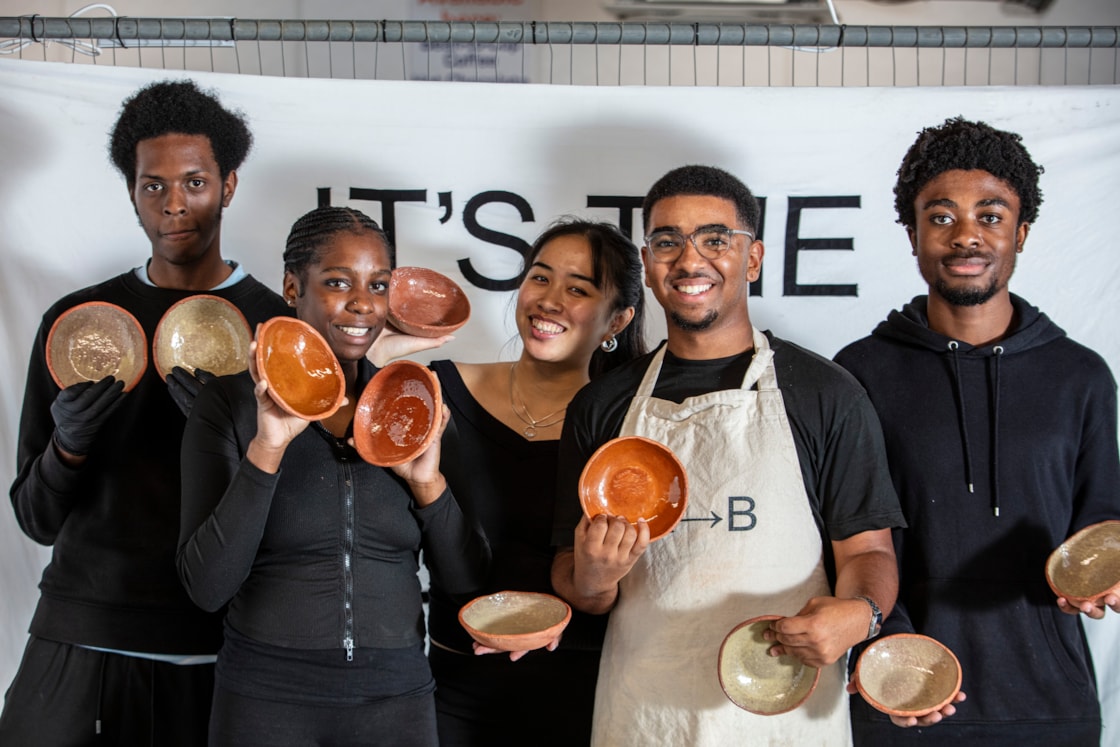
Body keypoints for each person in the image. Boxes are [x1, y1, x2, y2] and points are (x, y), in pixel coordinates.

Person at [550, 165, 905, 746]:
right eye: (668, 242)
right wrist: (592, 580)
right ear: (648, 261)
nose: (690, 261)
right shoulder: (602, 404)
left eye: (715, 239)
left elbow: (868, 548)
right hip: (645, 718)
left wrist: (860, 613)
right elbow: (575, 577)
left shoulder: (826, 393)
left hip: (786, 719)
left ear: (754, 258)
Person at [1, 79, 289, 745]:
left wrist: (229, 437)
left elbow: (300, 519)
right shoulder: (77, 324)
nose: (173, 204)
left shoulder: (278, 327)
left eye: (193, 181)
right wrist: (66, 446)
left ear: (230, 184)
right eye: (152, 185)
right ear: (131, 191)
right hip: (84, 632)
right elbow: (35, 517)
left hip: (225, 644)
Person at [834, 117, 1120, 745]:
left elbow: (1102, 526)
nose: (966, 236)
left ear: (1021, 233)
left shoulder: (1082, 377)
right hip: (903, 694)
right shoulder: (858, 373)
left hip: (1050, 704)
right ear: (912, 236)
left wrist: (1106, 580)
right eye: (941, 217)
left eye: (990, 216)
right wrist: (884, 652)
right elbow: (845, 542)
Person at [176, 205, 490, 746]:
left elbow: (466, 586)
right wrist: (267, 449)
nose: (363, 304)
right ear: (292, 287)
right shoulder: (229, 404)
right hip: (265, 697)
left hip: (395, 698)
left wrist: (426, 484)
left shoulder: (413, 404)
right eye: (338, 282)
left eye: (379, 284)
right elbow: (206, 587)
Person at [427, 218, 646, 746]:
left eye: (578, 289)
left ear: (617, 320)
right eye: (540, 278)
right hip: (452, 685)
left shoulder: (630, 428)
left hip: (579, 688)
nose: (550, 300)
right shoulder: (440, 389)